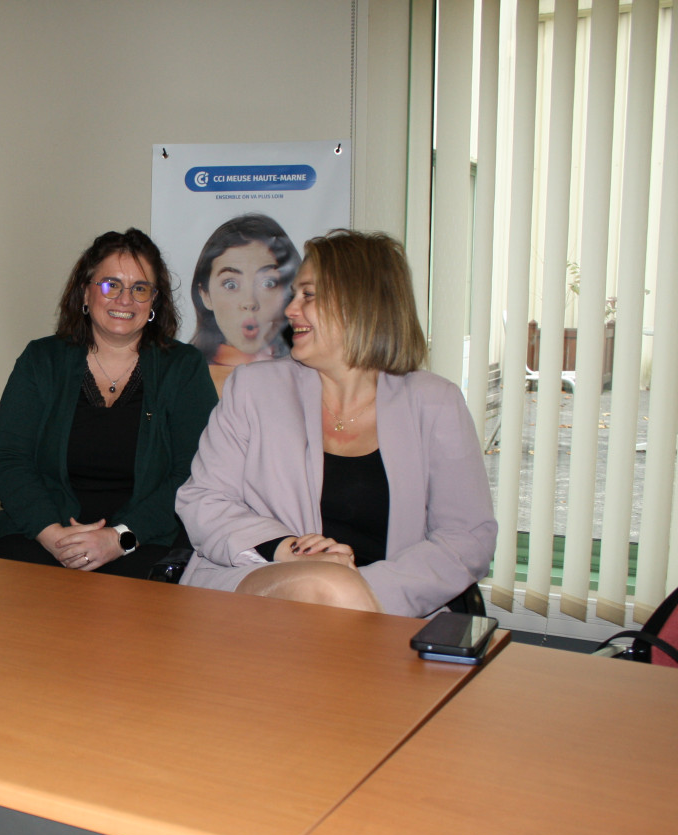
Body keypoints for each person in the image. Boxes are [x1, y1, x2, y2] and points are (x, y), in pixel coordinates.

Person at [175, 230, 496, 617]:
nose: (290, 310)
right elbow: (203, 501)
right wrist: (292, 552)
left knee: (331, 590)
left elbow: (466, 538)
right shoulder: (254, 388)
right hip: (257, 590)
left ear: (360, 304)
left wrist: (359, 589)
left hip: (385, 607)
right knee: (320, 585)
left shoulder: (435, 403)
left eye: (307, 295)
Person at [0, 228, 217, 577]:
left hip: (145, 541)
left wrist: (119, 538)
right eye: (110, 285)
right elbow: (8, 457)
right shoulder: (41, 360)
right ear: (86, 293)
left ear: (154, 302)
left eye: (140, 288)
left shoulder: (183, 368)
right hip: (41, 535)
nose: (125, 299)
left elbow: (194, 473)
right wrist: (52, 536)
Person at [188, 213, 300, 394]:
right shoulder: (183, 379)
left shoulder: (310, 376)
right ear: (205, 294)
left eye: (268, 283)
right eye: (231, 284)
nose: (250, 302)